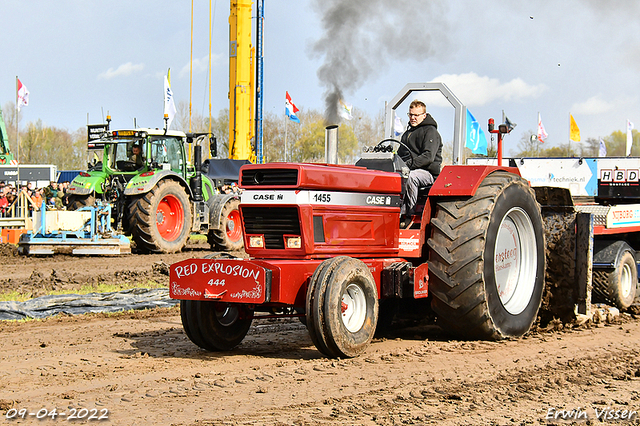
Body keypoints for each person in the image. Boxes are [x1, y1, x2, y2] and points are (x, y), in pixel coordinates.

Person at [397, 100, 442, 218]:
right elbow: (399, 155)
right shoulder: (407, 134)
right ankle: (393, 210)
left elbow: (428, 157)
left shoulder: (430, 132)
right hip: (408, 169)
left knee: (412, 177)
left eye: (416, 115)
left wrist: (407, 165)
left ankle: (409, 213)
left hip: (428, 173)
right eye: (411, 114)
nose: (413, 118)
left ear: (424, 115)